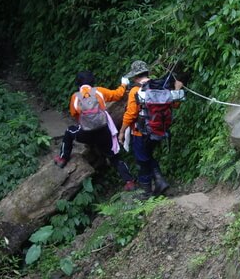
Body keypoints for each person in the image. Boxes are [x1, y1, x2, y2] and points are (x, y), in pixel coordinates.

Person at [54, 70, 136, 191]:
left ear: (78, 83)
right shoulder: (99, 91)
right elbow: (117, 94)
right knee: (115, 157)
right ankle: (129, 181)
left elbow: (74, 114)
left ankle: (62, 158)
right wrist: (123, 84)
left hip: (86, 134)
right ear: (92, 82)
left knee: (69, 131)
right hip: (104, 133)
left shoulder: (75, 97)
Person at [118, 60, 183, 197]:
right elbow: (175, 104)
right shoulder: (160, 86)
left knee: (142, 161)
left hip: (140, 132)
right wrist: (177, 89)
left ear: (135, 77)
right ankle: (160, 181)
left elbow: (131, 114)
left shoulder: (136, 90)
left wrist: (122, 131)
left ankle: (146, 193)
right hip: (159, 130)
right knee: (147, 156)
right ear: (147, 73)